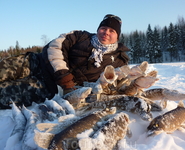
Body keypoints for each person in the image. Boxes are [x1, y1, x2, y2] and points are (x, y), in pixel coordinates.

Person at [0, 14, 130, 109]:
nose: (106, 32)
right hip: (36, 63)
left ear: (117, 36)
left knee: (4, 94)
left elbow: (120, 86)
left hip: (49, 88)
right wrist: (65, 77)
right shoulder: (81, 36)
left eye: (112, 31)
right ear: (98, 29)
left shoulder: (119, 61)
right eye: (103, 28)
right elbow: (55, 46)